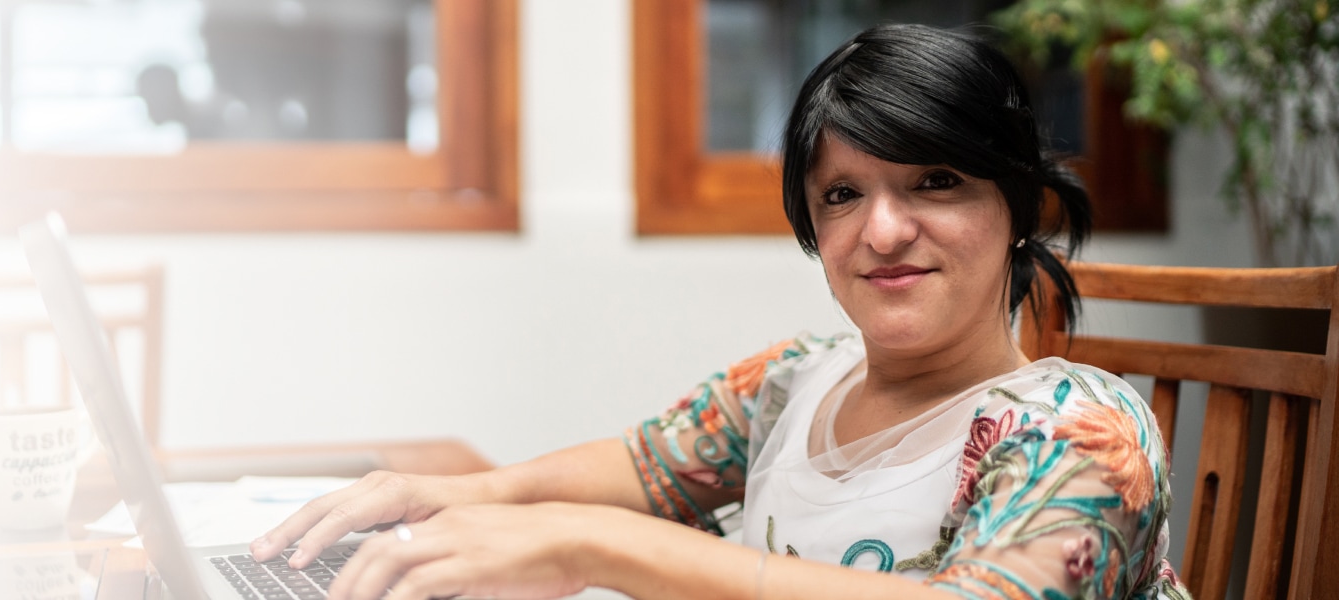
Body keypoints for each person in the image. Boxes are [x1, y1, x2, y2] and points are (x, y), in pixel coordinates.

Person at [250, 24, 1190, 600]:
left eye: (936, 182)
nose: (885, 230)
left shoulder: (1079, 426)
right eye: (842, 195)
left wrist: (603, 549)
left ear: (1019, 207)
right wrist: (450, 496)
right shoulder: (790, 383)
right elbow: (642, 463)